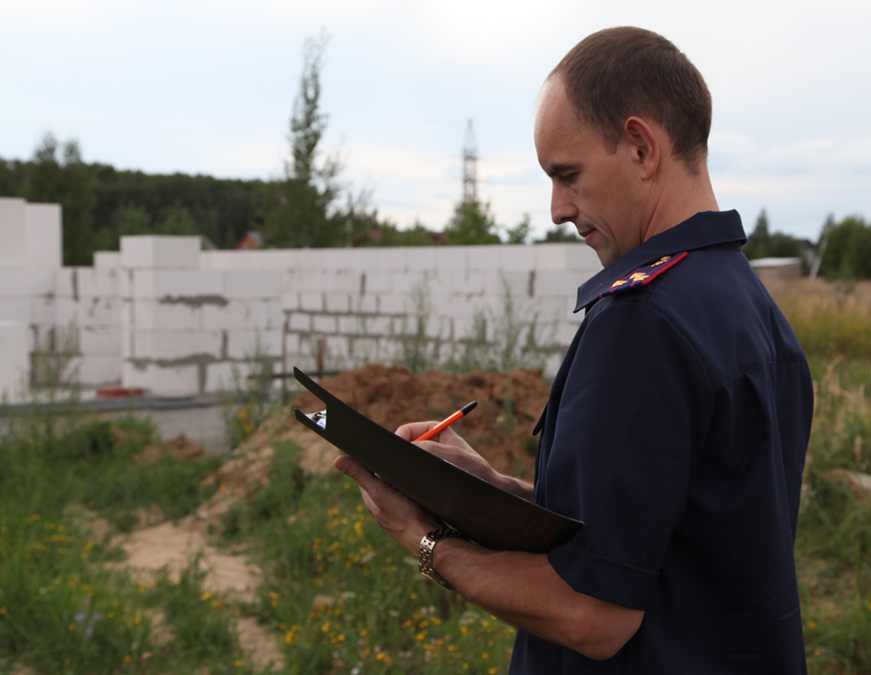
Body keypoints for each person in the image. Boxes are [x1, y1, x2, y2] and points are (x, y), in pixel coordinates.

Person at [335, 26, 813, 673]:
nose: (558, 208)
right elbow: (660, 533)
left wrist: (423, 538)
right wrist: (489, 490)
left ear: (643, 147)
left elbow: (593, 613)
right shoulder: (748, 306)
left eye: (568, 175)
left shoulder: (645, 321)